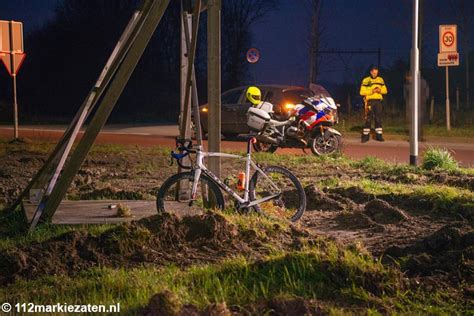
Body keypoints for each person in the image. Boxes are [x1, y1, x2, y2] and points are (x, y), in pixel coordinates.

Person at [359, 66, 388, 142]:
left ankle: (379, 136)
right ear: (371, 72)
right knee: (368, 119)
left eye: (376, 73)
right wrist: (372, 91)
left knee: (378, 119)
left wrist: (379, 90)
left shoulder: (380, 80)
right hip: (369, 101)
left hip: (378, 101)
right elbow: (361, 92)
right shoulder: (366, 80)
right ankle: (365, 137)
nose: (375, 74)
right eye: (374, 73)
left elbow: (385, 91)